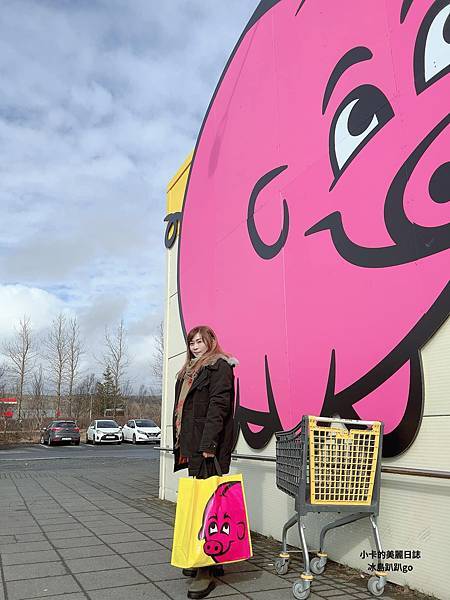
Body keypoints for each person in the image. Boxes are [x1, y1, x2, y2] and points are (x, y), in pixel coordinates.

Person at [173, 325, 237, 599]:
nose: (195, 346)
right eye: (191, 342)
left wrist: (209, 444)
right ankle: (211, 560)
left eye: (200, 341)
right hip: (193, 444)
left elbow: (219, 406)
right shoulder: (188, 372)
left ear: (211, 342)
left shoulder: (218, 367)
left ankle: (206, 570)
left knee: (210, 506)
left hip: (209, 446)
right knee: (203, 502)